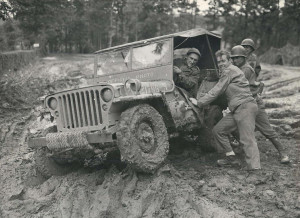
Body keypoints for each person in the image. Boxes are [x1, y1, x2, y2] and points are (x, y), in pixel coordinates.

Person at [190, 50, 261, 170]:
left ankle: (255, 169)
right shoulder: (229, 71)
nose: (220, 64)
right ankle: (231, 158)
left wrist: (199, 102)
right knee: (218, 130)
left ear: (230, 60)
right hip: (237, 109)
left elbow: (217, 90)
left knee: (247, 139)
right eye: (218, 62)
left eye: (223, 60)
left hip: (245, 107)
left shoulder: (230, 70)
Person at [230, 45, 290, 164]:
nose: (235, 60)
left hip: (254, 103)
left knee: (267, 130)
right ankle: (242, 147)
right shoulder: (238, 68)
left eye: (238, 58)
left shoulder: (245, 69)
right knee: (231, 125)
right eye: (233, 58)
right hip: (243, 104)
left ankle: (282, 152)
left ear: (244, 58)